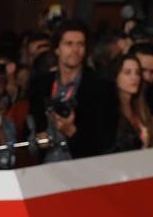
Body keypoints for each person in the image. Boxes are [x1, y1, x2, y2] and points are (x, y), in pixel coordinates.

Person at [27, 19, 118, 160]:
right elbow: (30, 129)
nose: (75, 50)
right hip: (45, 169)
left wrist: (71, 131)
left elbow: (105, 142)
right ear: (57, 49)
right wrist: (38, 139)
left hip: (83, 169)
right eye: (69, 44)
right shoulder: (40, 84)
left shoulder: (101, 87)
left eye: (80, 44)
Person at [108, 53, 153, 152]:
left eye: (137, 73)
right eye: (127, 72)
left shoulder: (142, 107)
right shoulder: (109, 111)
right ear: (115, 76)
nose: (134, 78)